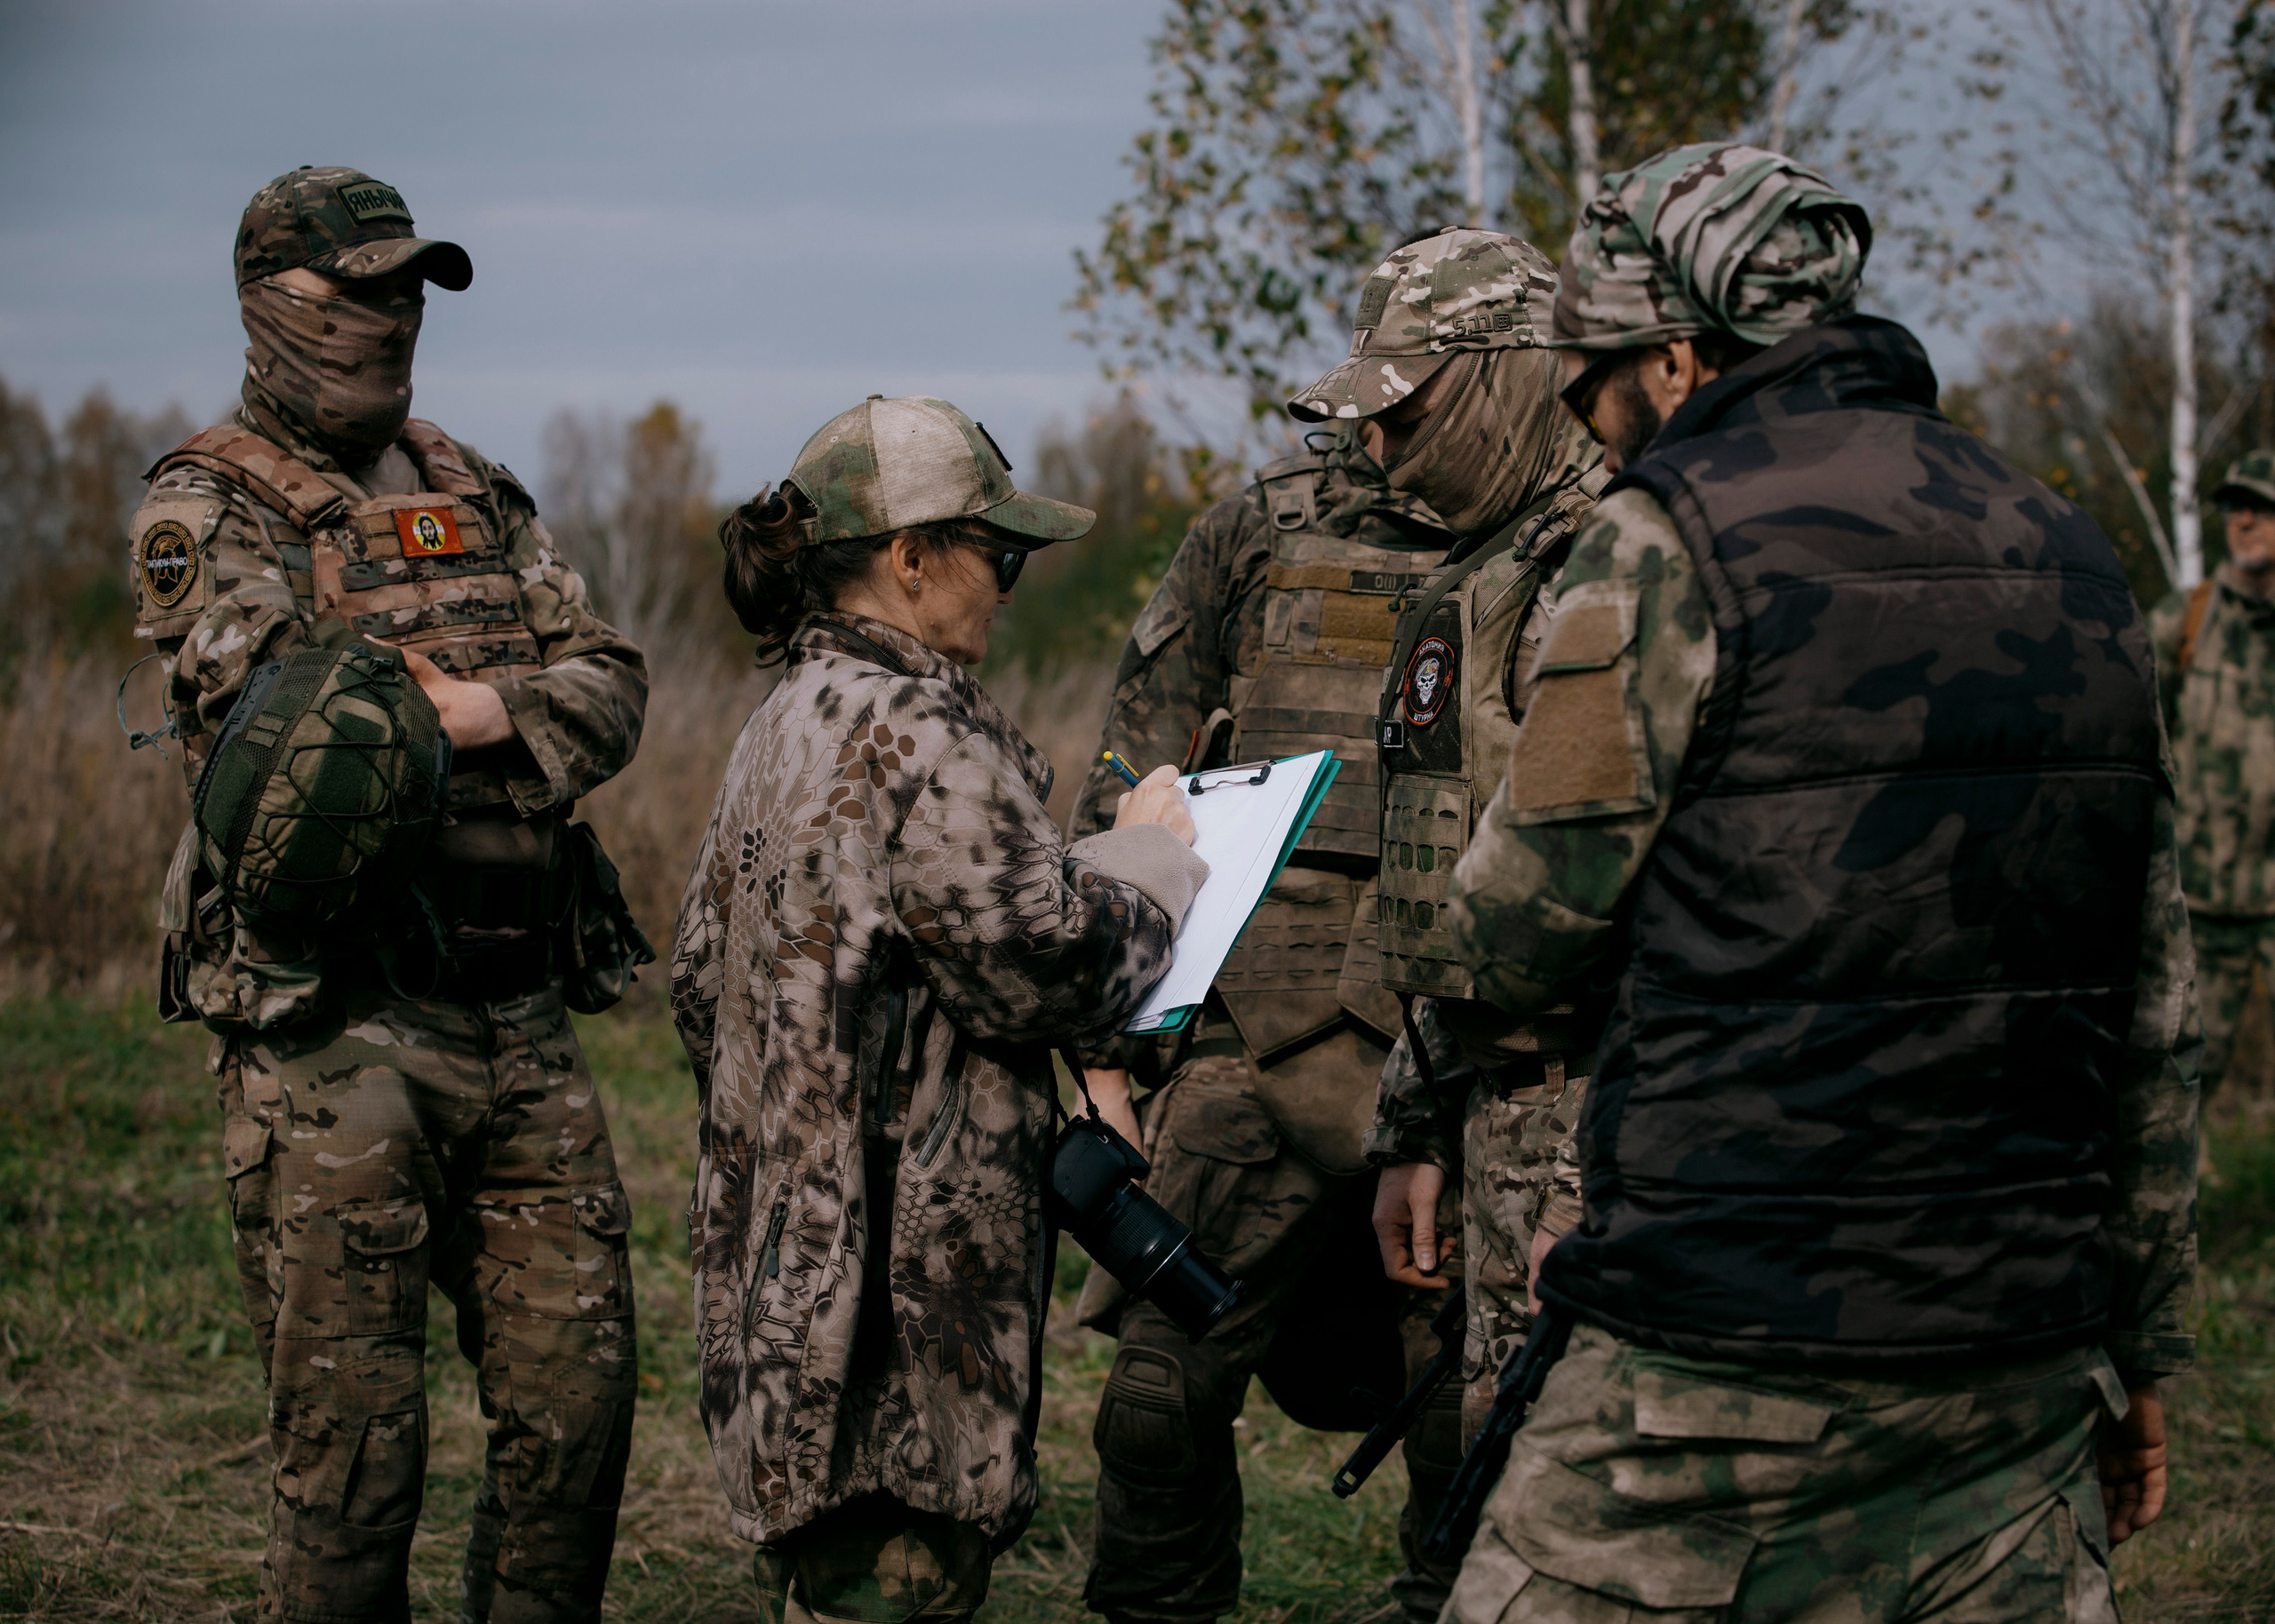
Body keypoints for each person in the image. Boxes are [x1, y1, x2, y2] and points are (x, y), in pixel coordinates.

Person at [1439, 143, 2199, 1621]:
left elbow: (1511, 933)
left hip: (1717, 1359)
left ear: (1672, 356)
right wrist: (2145, 1339)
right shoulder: (2073, 549)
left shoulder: (1662, 545)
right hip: (2015, 1352)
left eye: (1591, 382)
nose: (1591, 430)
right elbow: (2154, 1005)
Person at [126, 168, 651, 1623]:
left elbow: (614, 678)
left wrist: (474, 710)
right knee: (356, 1457)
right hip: (339, 1034)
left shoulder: (475, 484)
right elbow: (277, 744)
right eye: (357, 289)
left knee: (580, 1408)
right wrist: (504, 705)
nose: (390, 317)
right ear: (270, 300)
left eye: (408, 288)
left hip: (522, 1017)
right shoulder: (205, 503)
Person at [670, 394, 1209, 1624]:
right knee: (896, 1579)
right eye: (998, 554)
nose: (1009, 589)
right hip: (900, 1314)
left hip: (784, 1291)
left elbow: (700, 985)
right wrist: (1148, 863)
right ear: (910, 558)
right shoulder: (919, 732)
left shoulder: (780, 723)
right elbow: (1051, 965)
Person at [1285, 227, 1607, 1450]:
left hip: (1591, 1141)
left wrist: (1587, 1175)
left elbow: (1656, 922)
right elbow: (1446, 886)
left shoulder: (1623, 569)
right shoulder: (1488, 575)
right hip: (1485, 1116)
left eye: (1405, 416)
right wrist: (1417, 1128)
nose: (1378, 455)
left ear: (1517, 372)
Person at [2152, 450, 2275, 1091]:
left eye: (2261, 506)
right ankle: (2193, 1191)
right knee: (2185, 1081)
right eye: (2234, 506)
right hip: (2204, 900)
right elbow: (2142, 740)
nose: (2244, 520)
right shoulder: (2185, 619)